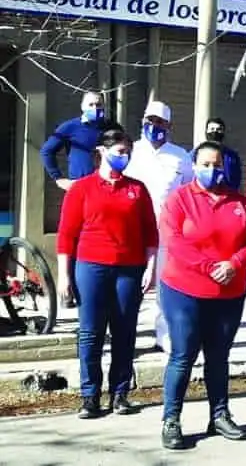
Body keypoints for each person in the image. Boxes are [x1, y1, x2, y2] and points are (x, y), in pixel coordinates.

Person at [158, 141, 246, 450]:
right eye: (205, 164)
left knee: (218, 356)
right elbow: (173, 241)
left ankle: (219, 415)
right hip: (184, 290)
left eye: (217, 165)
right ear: (194, 165)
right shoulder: (179, 199)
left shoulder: (239, 202)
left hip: (229, 292)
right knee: (183, 354)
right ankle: (171, 419)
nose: (212, 170)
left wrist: (235, 263)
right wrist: (208, 266)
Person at [55, 124, 158, 419]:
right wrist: (64, 274)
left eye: (128, 152)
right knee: (91, 333)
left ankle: (120, 393)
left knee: (124, 332)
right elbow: (66, 235)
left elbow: (151, 233)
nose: (124, 156)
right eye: (119, 151)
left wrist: (150, 266)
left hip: (129, 269)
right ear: (101, 152)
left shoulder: (137, 189)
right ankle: (90, 396)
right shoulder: (82, 188)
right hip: (91, 267)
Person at [124, 100, 194, 354]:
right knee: (130, 287)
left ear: (169, 125)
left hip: (165, 230)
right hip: (132, 230)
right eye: (150, 120)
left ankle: (163, 336)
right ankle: (125, 339)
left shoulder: (181, 156)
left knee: (164, 286)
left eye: (160, 122)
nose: (154, 126)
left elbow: (188, 191)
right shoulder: (131, 151)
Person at [40, 90, 107, 308]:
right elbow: (47, 151)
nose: (96, 108)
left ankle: (91, 291)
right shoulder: (70, 127)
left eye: (99, 104)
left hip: (104, 192)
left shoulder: (109, 129)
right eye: (91, 104)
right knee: (72, 240)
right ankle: (68, 291)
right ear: (82, 106)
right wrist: (59, 179)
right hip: (79, 191)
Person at [202, 117, 242, 191]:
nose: (215, 132)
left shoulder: (232, 156)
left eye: (218, 129)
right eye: (212, 129)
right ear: (206, 131)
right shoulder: (196, 154)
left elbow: (236, 180)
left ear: (223, 132)